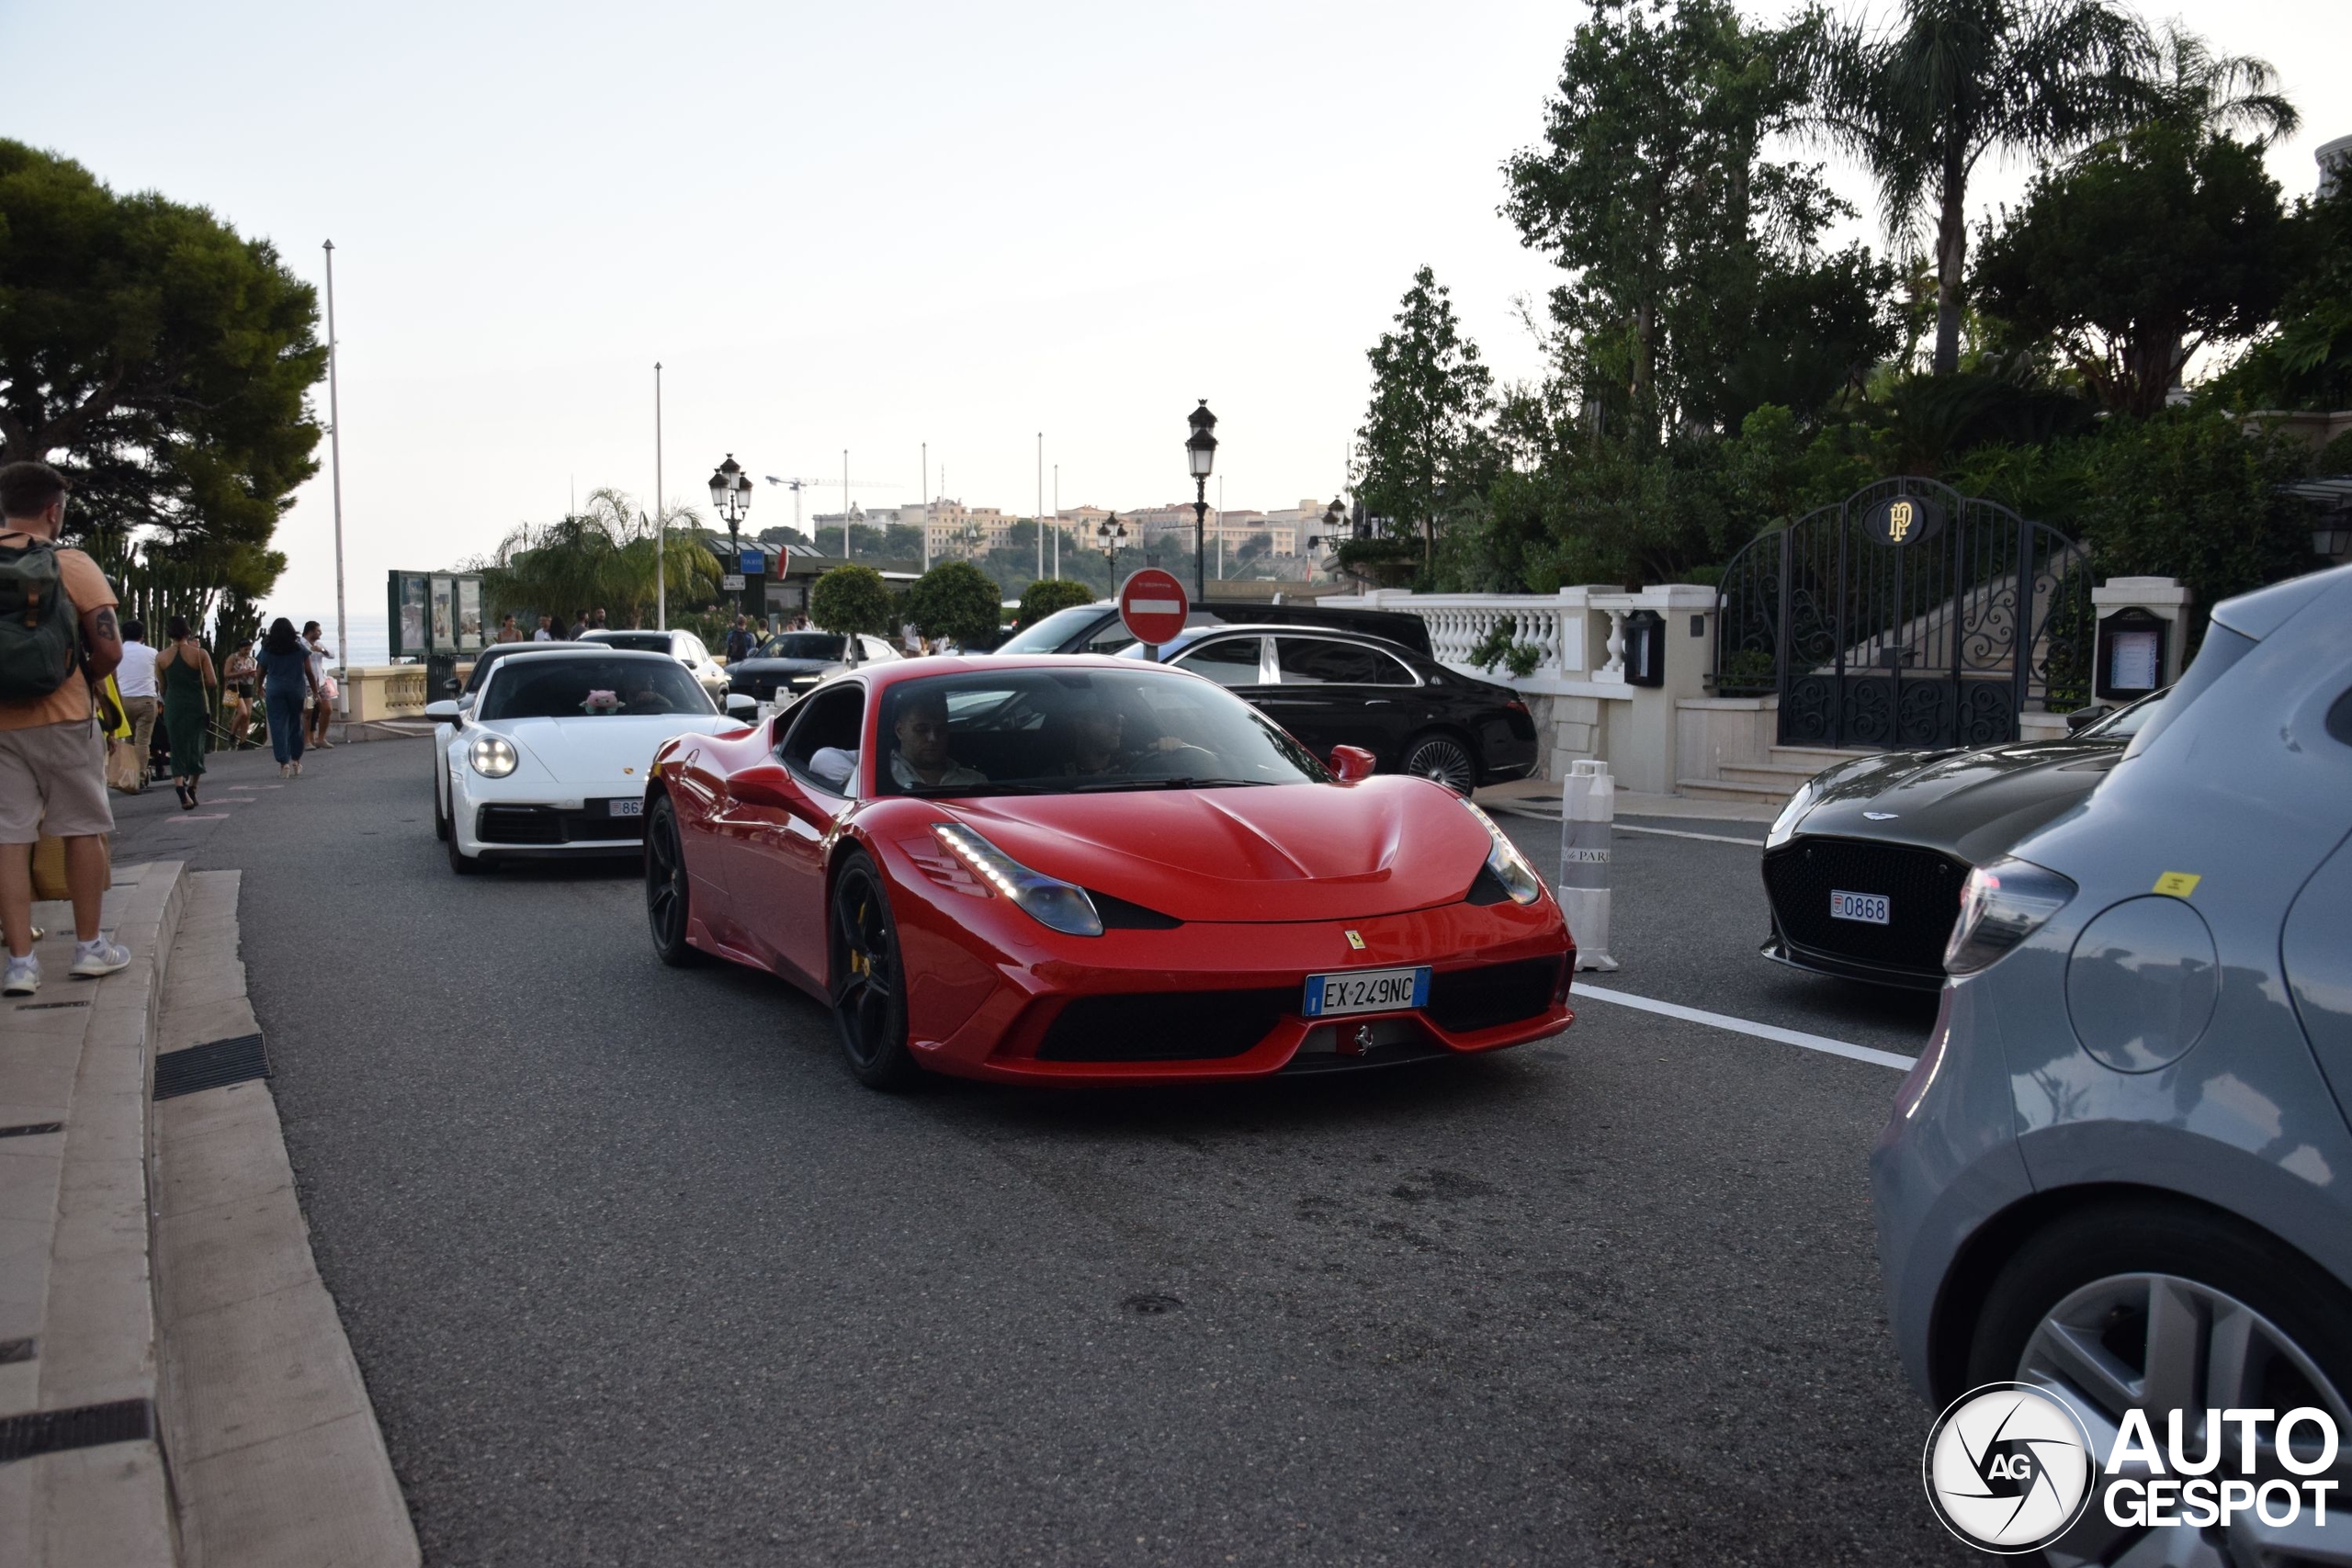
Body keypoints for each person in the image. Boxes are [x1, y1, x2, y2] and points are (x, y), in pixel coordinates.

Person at [1, 460, 130, 997]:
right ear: (54, 511)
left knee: (8, 836)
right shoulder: (69, 562)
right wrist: (84, 678)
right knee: (81, 827)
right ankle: (89, 948)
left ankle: (20, 963)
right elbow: (110, 647)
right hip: (65, 715)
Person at [153, 615, 217, 810]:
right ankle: (193, 788)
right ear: (188, 631)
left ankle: (180, 789)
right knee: (196, 745)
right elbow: (212, 682)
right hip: (195, 704)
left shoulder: (161, 657)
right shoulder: (200, 654)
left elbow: (162, 687)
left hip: (174, 705)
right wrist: (195, 684)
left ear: (169, 634)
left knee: (177, 746)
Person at [258, 617, 322, 777]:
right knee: (296, 723)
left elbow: (261, 670)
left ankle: (284, 763)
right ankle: (296, 760)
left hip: (275, 690)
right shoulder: (299, 648)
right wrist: (315, 692)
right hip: (295, 689)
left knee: (278, 725)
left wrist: (259, 687)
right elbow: (309, 672)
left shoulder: (268, 649)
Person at [888, 689, 986, 788]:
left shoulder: (975, 783)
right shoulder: (879, 775)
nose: (933, 738)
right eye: (921, 730)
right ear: (899, 731)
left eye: (941, 730)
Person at [115, 619, 160, 793]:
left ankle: (129, 777)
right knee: (143, 742)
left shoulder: (117, 652)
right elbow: (157, 679)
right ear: (142, 635)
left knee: (129, 741)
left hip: (123, 700)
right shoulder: (151, 653)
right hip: (146, 701)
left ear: (122, 634)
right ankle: (140, 778)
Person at [301, 621, 335, 749]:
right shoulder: (301, 644)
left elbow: (332, 655)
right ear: (310, 631)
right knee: (308, 711)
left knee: (327, 709)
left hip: (320, 682)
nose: (320, 633)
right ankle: (307, 741)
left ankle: (320, 738)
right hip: (307, 683)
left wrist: (321, 650)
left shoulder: (318, 644)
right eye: (318, 630)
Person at [222, 641, 258, 748]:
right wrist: (241, 673)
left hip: (247, 686)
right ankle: (232, 733)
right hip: (234, 686)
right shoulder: (233, 658)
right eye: (245, 649)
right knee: (243, 712)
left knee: (248, 716)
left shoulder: (251, 660)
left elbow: (255, 674)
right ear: (240, 648)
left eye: (249, 649)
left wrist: (253, 674)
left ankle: (243, 741)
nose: (247, 652)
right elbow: (226, 674)